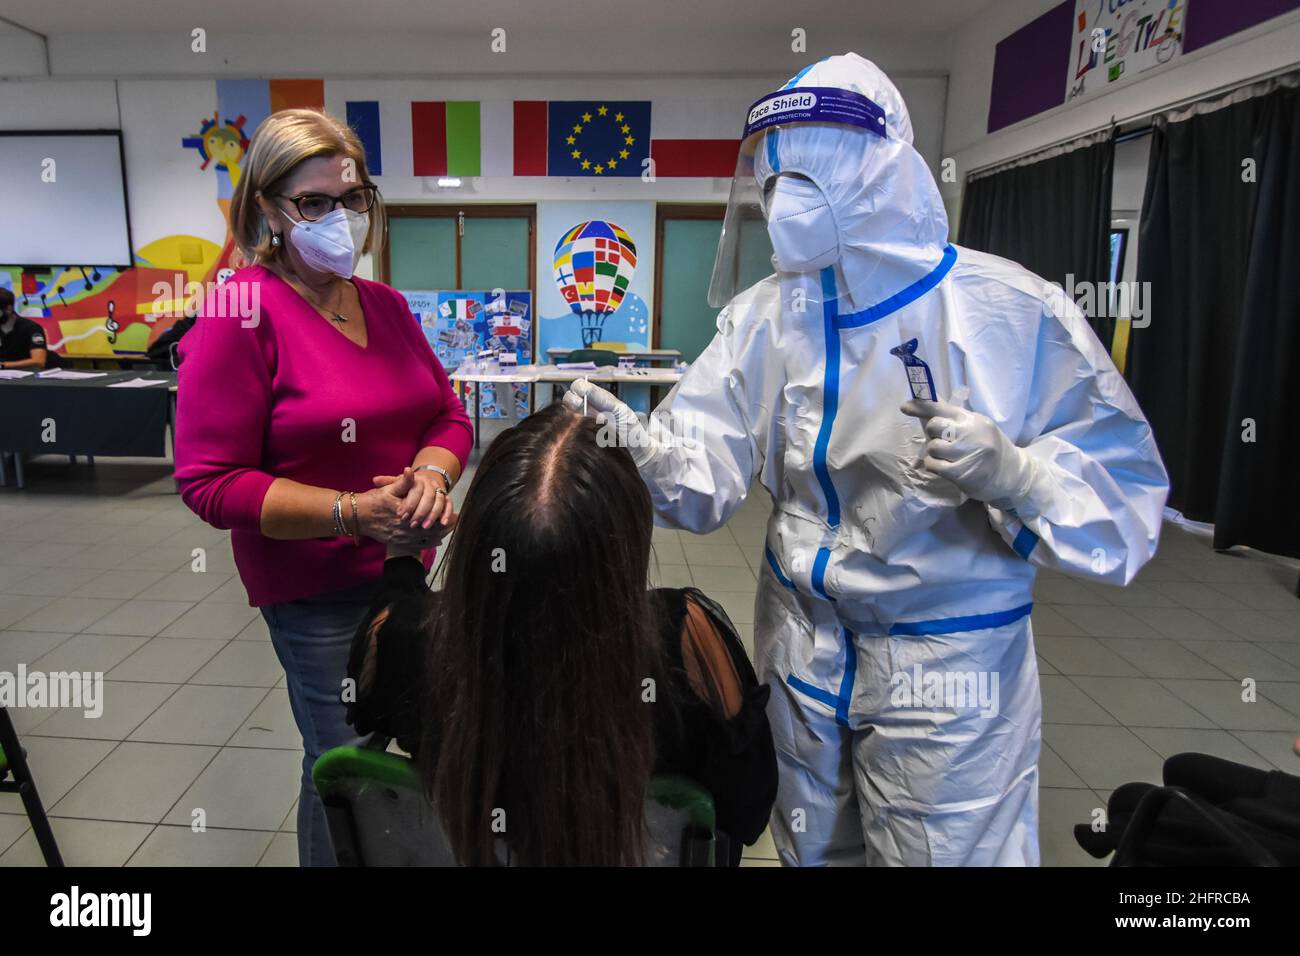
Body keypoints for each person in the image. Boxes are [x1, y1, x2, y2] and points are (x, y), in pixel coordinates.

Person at [565, 53, 1170, 866]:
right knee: (813, 849)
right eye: (773, 186)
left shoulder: (1008, 310)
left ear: (877, 179)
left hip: (946, 663)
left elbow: (1125, 500)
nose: (783, 208)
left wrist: (1019, 478)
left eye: (807, 183)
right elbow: (705, 470)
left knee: (946, 854)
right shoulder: (767, 317)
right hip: (802, 645)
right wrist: (642, 449)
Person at [174, 108, 473, 867]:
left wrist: (433, 474)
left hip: (409, 570)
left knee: (418, 736)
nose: (339, 219)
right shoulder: (238, 313)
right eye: (314, 203)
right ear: (269, 208)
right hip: (314, 593)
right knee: (344, 758)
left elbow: (446, 413)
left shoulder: (385, 305)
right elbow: (210, 481)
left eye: (352, 198)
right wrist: (351, 514)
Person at [345, 404, 777, 866]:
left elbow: (377, 665)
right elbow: (747, 809)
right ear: (625, 538)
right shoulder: (679, 641)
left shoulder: (405, 642)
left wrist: (403, 553)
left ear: (478, 534)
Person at [0, 289, 49, 371]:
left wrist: (3, 365)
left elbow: (38, 361)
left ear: (8, 309)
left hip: (25, 378)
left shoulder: (31, 328)